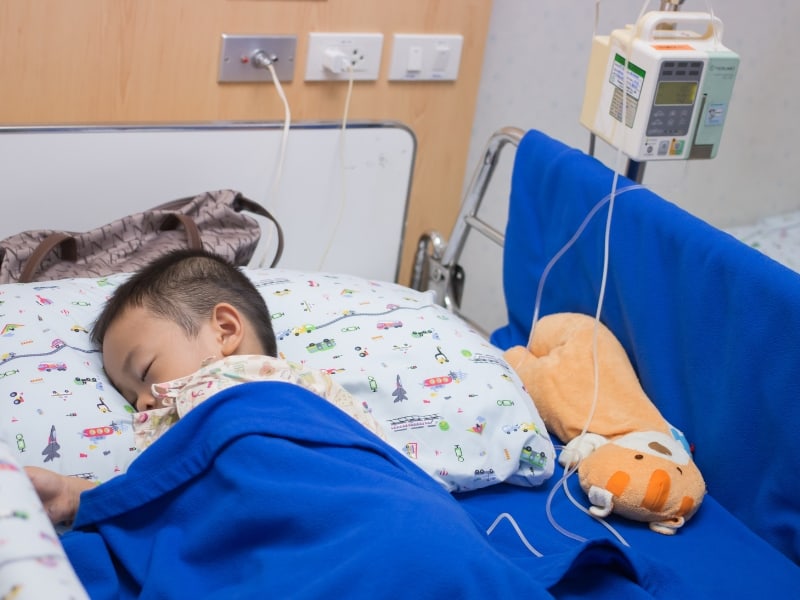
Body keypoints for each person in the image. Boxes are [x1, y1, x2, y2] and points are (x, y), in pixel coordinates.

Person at [25, 248, 384, 525]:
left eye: (147, 370)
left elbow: (175, 498)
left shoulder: (232, 386)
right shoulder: (322, 394)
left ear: (225, 331)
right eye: (130, 397)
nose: (143, 404)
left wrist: (78, 498)